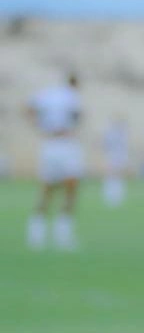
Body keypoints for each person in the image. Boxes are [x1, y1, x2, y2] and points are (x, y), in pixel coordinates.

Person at [26, 72, 84, 251]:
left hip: (50, 143)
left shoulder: (49, 93)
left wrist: (40, 126)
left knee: (47, 189)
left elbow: (28, 108)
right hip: (64, 143)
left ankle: (37, 233)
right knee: (70, 189)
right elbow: (77, 118)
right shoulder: (72, 96)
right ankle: (62, 234)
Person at [101, 116, 129, 207]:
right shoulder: (111, 134)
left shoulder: (123, 134)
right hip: (112, 157)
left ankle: (117, 196)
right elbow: (106, 145)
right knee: (111, 176)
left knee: (118, 177)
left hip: (119, 157)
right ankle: (110, 196)